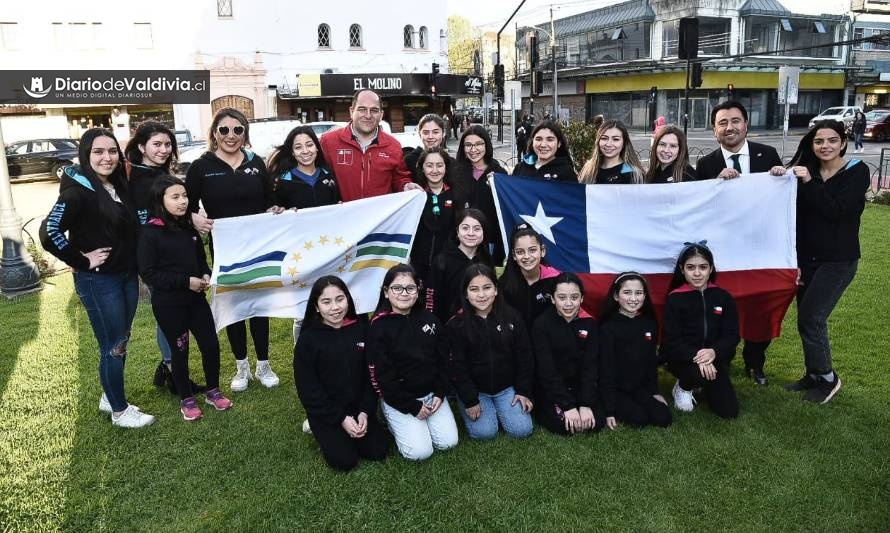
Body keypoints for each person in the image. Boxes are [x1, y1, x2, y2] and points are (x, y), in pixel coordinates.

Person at [39, 128, 156, 428]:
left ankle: (110, 396)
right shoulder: (77, 190)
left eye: (112, 151)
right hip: (100, 282)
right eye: (99, 152)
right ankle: (119, 411)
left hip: (125, 277)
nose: (107, 158)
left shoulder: (115, 185)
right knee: (114, 345)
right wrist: (81, 260)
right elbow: (49, 232)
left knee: (120, 340)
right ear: (86, 155)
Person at [768, 119, 870, 403]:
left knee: (812, 318)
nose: (825, 146)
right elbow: (795, 216)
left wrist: (809, 182)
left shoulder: (856, 172)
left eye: (832, 140)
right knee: (805, 319)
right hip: (808, 260)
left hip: (838, 260)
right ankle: (813, 374)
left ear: (843, 143)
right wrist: (779, 177)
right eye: (819, 141)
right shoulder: (806, 172)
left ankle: (827, 378)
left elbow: (836, 210)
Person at [185, 107, 285, 392]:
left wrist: (274, 208)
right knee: (235, 306)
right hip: (226, 249)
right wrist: (193, 216)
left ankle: (263, 364)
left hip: (258, 248)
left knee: (258, 307)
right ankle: (242, 366)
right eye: (224, 130)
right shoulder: (200, 166)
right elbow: (186, 207)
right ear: (214, 133)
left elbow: (269, 200)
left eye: (238, 130)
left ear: (245, 133)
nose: (231, 136)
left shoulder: (256, 163)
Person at [694, 100, 782, 385]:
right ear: (714, 130)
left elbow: (781, 201)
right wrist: (716, 184)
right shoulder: (707, 164)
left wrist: (782, 178)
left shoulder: (767, 155)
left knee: (761, 307)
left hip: (761, 249)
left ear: (746, 124)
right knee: (722, 308)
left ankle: (755, 363)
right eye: (722, 123)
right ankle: (722, 358)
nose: (729, 127)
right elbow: (702, 208)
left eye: (735, 121)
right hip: (724, 252)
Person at [137, 175, 233, 421]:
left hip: (196, 301)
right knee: (180, 352)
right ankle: (187, 399)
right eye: (175, 197)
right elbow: (149, 273)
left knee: (210, 345)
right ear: (161, 200)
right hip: (170, 305)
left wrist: (205, 274)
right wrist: (185, 282)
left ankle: (213, 391)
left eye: (185, 196)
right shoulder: (150, 232)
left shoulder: (188, 227)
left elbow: (201, 260)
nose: (182, 202)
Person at [294, 276, 390, 470]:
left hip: (359, 409)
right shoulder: (307, 340)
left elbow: (371, 376)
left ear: (348, 299)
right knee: (344, 461)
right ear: (316, 306)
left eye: (340, 299)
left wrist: (365, 411)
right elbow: (309, 391)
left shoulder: (361, 330)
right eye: (326, 302)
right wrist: (342, 419)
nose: (335, 307)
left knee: (378, 451)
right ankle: (321, 430)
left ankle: (359, 426)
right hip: (328, 413)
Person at [366, 264, 458, 461]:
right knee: (419, 453)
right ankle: (389, 417)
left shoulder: (430, 319)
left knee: (448, 442)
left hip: (432, 394)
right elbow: (382, 378)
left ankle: (425, 418)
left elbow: (444, 360)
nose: (404, 293)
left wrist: (440, 393)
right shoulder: (378, 327)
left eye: (410, 288)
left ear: (418, 291)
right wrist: (412, 407)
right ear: (386, 292)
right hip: (400, 398)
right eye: (397, 288)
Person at [124, 121, 190, 394]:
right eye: (157, 144)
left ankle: (170, 368)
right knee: (169, 315)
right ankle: (172, 370)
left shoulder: (160, 173)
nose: (164, 150)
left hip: (173, 253)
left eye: (167, 145)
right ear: (141, 147)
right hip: (153, 259)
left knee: (174, 315)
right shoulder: (134, 178)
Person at [447, 264, 534, 440]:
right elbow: (457, 367)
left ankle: (502, 411)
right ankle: (484, 411)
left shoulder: (512, 317)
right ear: (465, 293)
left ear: (496, 290)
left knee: (522, 430)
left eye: (487, 287)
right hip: (477, 391)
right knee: (484, 433)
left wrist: (523, 391)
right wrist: (470, 400)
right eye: (474, 289)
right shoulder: (456, 324)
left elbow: (525, 356)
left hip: (506, 388)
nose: (481, 295)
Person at [660, 243, 739, 419]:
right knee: (696, 372)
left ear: (711, 268)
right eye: (691, 267)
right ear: (682, 269)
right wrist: (699, 357)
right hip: (683, 359)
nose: (697, 273)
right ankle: (683, 387)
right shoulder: (675, 299)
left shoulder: (723, 297)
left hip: (715, 358)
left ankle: (702, 383)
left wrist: (713, 352)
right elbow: (671, 342)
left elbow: (732, 336)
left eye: (702, 267)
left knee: (729, 411)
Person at [531, 273, 603, 435]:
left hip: (578, 385)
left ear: (582, 299)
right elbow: (546, 371)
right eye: (562, 297)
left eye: (574, 297)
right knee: (564, 426)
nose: (569, 303)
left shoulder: (590, 323)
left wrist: (585, 404)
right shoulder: (541, 325)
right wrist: (568, 406)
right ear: (553, 299)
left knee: (596, 422)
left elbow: (590, 367)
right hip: (552, 388)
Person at [598, 272, 671, 429]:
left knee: (664, 418)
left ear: (644, 296)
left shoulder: (648, 324)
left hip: (638, 387)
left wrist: (654, 392)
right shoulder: (608, 328)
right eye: (627, 292)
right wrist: (609, 410)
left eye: (638, 293)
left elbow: (651, 362)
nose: (633, 298)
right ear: (616, 296)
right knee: (639, 419)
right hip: (616, 389)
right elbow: (606, 371)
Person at [319, 89, 420, 202]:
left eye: (374, 110)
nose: (368, 115)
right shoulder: (328, 142)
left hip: (380, 218)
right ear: (352, 111)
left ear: (381, 115)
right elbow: (316, 177)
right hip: (342, 217)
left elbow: (399, 178)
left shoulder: (393, 146)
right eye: (362, 109)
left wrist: (405, 186)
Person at [425, 208, 495, 322]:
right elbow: (431, 299)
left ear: (484, 233)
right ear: (457, 231)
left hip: (481, 325)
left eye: (477, 229)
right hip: (448, 328)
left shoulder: (486, 261)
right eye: (465, 228)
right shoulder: (442, 261)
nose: (471, 233)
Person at [452, 125, 507, 264]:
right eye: (468, 145)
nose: (473, 150)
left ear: (486, 146)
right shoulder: (454, 173)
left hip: (490, 243)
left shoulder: (499, 174)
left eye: (479, 144)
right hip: (461, 242)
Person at [410, 147, 460, 286]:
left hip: (447, 262)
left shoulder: (455, 194)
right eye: (429, 165)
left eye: (439, 165)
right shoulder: (415, 195)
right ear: (422, 168)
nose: (435, 170)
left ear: (446, 167)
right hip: (419, 263)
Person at [499, 224, 560, 330]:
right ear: (514, 255)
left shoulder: (556, 280)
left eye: (532, 250)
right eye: (520, 252)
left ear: (542, 251)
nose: (527, 256)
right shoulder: (504, 285)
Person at [267, 125, 340, 210]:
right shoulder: (282, 182)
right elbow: (275, 212)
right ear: (292, 152)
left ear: (317, 147)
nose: (305, 151)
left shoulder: (329, 175)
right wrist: (282, 211)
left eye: (309, 145)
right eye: (298, 147)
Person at [577, 120, 645, 184]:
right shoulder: (589, 169)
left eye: (615, 139)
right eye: (604, 138)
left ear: (624, 143)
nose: (609, 144)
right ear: (598, 141)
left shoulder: (632, 172)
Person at [511, 120, 577, 182]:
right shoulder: (520, 168)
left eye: (550, 140)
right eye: (538, 139)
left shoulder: (567, 174)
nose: (543, 145)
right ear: (532, 141)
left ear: (559, 143)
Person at [403, 114, 448, 182]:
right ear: (419, 134)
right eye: (425, 132)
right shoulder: (409, 161)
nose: (430, 136)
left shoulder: (450, 161)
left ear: (443, 133)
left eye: (435, 132)